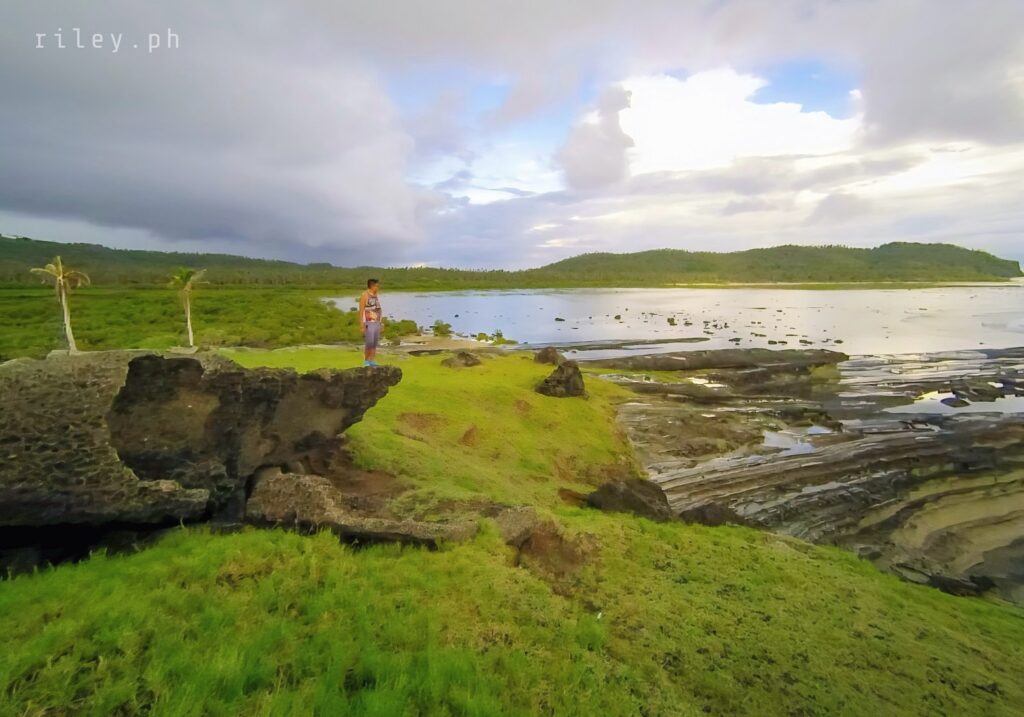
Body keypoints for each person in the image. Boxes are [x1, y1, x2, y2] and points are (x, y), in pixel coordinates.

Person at [358, 278, 383, 366]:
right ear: (372, 286)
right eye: (377, 286)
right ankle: (366, 360)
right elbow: (361, 311)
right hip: (368, 322)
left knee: (375, 342)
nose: (378, 288)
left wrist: (381, 322)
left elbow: (378, 309)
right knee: (369, 342)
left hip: (376, 322)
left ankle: (372, 359)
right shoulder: (364, 295)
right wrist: (362, 325)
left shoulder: (376, 296)